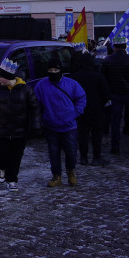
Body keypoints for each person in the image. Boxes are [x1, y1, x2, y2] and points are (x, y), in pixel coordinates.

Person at [0, 58, 41, 191]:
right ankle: (2, 169)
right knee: (1, 154)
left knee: (16, 156)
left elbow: (35, 109)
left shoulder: (26, 90)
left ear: (8, 77)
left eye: (1, 77)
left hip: (20, 131)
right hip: (1, 130)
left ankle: (12, 180)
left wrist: (36, 125)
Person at [34, 57, 87, 188]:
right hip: (50, 125)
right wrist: (40, 118)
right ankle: (56, 176)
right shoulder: (41, 85)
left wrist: (75, 114)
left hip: (69, 126)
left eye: (55, 70)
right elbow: (36, 104)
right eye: (50, 70)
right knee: (53, 152)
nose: (53, 72)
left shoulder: (72, 84)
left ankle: (71, 172)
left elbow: (81, 98)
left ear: (61, 70)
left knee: (71, 152)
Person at [101, 37, 129, 155]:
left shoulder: (107, 60)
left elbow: (104, 80)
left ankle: (115, 147)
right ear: (125, 46)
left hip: (115, 94)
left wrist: (107, 94)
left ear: (114, 47)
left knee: (115, 121)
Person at [69, 50, 111, 166]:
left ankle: (83, 157)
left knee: (82, 134)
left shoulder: (74, 77)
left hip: (80, 109)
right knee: (97, 133)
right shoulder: (98, 76)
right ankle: (96, 157)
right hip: (96, 108)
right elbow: (106, 93)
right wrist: (102, 104)